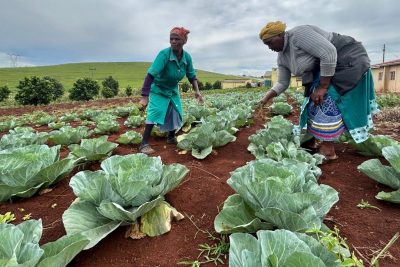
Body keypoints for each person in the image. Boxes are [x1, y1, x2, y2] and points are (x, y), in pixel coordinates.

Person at [259, 21, 378, 161]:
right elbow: (283, 82)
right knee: (310, 103)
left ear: (280, 34)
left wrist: (323, 87)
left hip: (347, 59)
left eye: (270, 42)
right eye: (266, 44)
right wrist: (267, 97)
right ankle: (310, 141)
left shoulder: (298, 34)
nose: (269, 47)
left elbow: (329, 53)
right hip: (325, 69)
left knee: (325, 100)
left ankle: (328, 150)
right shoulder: (282, 57)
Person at [138, 27, 204, 154]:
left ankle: (171, 137)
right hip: (158, 88)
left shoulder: (187, 58)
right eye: (171, 39)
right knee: (155, 113)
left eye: (177, 39)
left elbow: (191, 76)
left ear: (184, 41)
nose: (173, 41)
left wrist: (197, 91)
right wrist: (145, 96)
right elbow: (150, 75)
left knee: (176, 110)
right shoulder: (164, 55)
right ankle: (144, 143)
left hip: (172, 88)